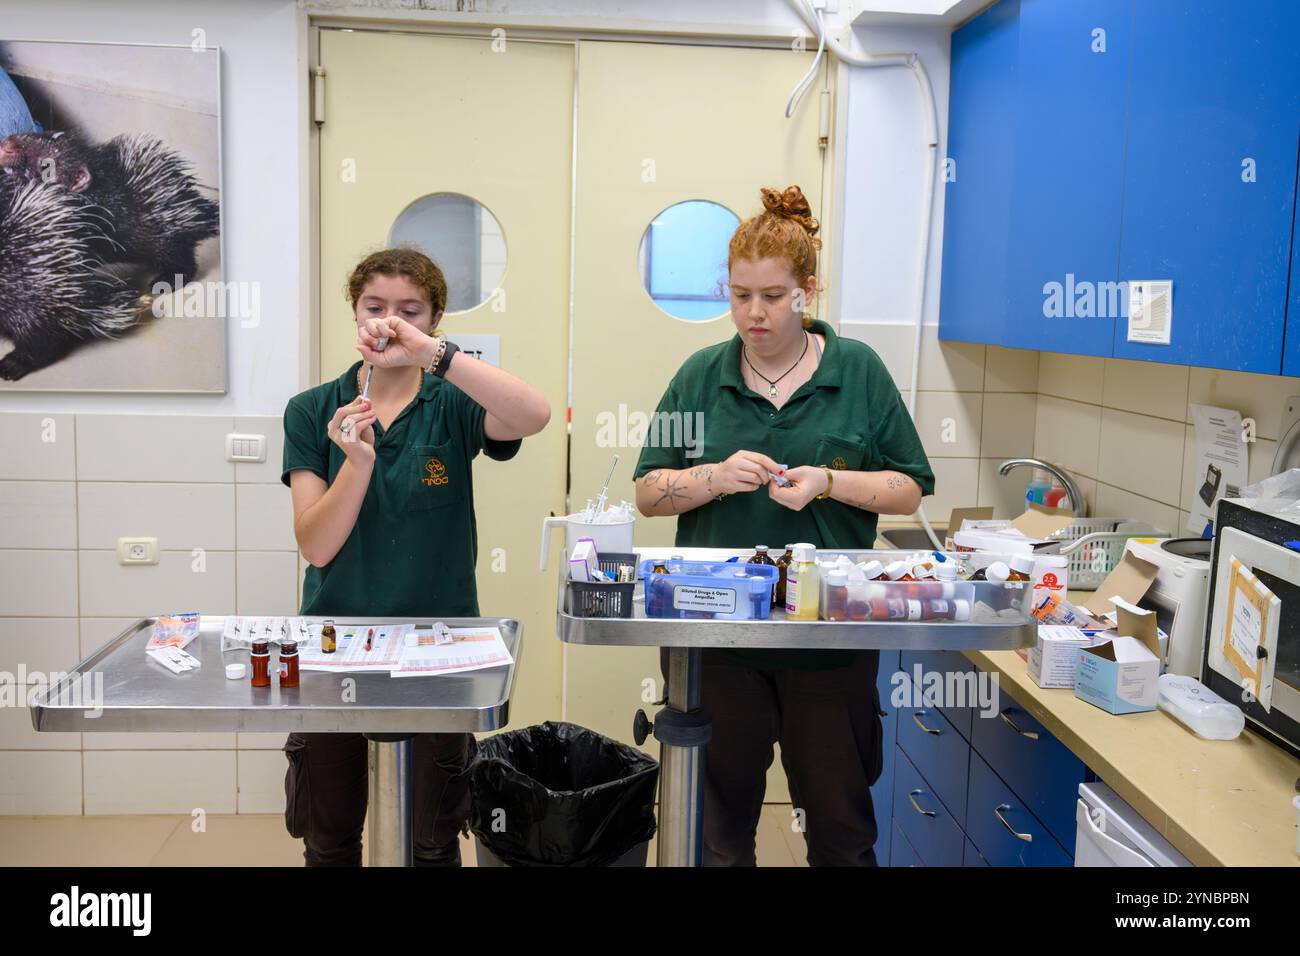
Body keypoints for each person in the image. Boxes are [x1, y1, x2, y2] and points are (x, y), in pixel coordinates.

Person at [633, 185, 935, 866]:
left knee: (840, 833)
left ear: (807, 291)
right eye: (740, 295)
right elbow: (650, 494)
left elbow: (908, 489)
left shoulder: (857, 372)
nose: (754, 313)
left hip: (828, 646)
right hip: (718, 645)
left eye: (773, 295)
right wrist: (710, 477)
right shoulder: (700, 378)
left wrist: (831, 482)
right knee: (716, 833)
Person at [280, 247, 550, 865]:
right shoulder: (313, 410)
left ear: (432, 320)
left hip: (440, 645)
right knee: (330, 836)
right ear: (355, 313)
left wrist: (435, 355)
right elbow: (316, 544)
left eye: (409, 311)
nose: (389, 321)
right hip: (335, 642)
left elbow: (533, 414)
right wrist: (359, 463)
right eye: (375, 307)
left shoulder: (451, 402)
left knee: (432, 838)